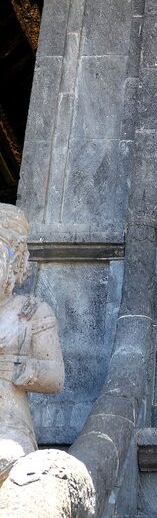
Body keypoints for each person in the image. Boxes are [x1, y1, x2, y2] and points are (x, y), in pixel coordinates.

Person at [0, 205, 64, 484]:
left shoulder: (32, 311)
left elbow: (55, 377)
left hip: (9, 423)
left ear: (13, 267)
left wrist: (21, 369)